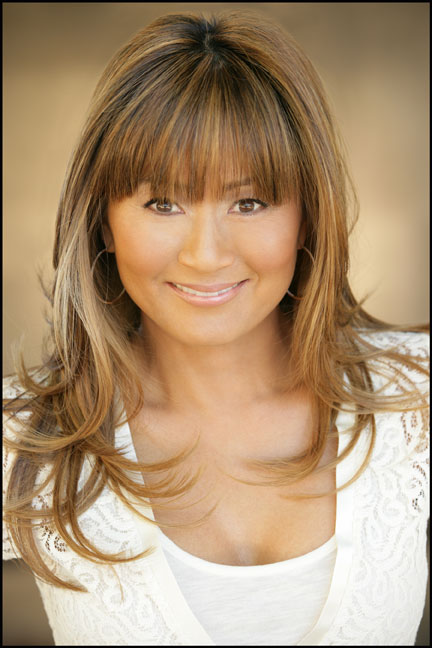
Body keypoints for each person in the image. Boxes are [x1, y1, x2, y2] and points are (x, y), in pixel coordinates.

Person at [3, 9, 429, 646]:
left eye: (249, 202)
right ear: (103, 222)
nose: (206, 255)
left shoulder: (416, 403)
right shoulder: (22, 442)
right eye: (163, 203)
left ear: (308, 216)